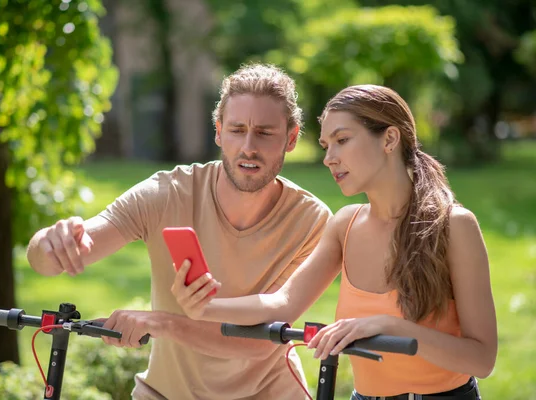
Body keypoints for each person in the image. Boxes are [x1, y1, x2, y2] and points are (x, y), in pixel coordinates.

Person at [26, 63, 333, 400]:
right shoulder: (166, 193)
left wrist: (162, 323)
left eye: (264, 132)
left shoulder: (311, 220)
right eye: (236, 129)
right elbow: (52, 259)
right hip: (165, 393)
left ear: (291, 138)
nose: (248, 146)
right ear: (218, 132)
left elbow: (260, 340)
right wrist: (50, 243)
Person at [171, 85, 497, 400]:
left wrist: (389, 327)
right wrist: (204, 308)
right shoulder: (345, 224)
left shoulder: (454, 226)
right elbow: (283, 303)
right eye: (326, 145)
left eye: (342, 140)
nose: (329, 158)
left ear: (390, 139)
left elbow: (481, 359)